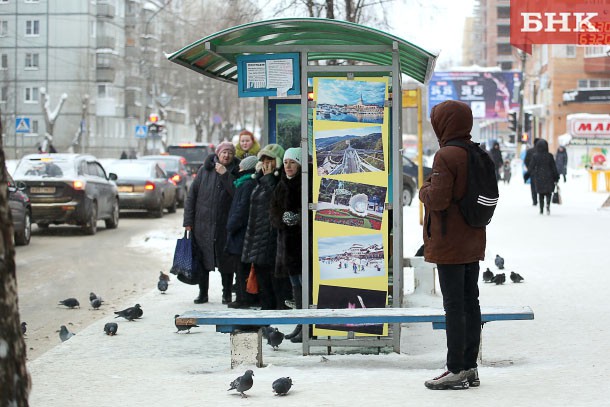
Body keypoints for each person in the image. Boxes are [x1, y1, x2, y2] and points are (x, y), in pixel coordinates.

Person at [419, 100, 484, 390]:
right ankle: (470, 367)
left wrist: (423, 189)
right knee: (471, 302)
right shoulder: (477, 153)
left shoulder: (446, 155)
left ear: (444, 123)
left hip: (450, 243)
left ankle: (456, 368)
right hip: (473, 237)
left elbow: (438, 199)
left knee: (454, 306)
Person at [183, 141, 240, 305]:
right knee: (202, 260)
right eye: (224, 152)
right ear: (218, 154)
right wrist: (188, 221)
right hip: (203, 225)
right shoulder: (204, 170)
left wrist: (224, 174)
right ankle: (203, 293)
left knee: (226, 262)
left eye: (229, 153)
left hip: (225, 226)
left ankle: (227, 293)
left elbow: (236, 193)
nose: (226, 155)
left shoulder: (236, 171)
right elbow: (191, 196)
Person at [241, 143, 289, 310]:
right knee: (262, 277)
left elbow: (276, 201)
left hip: (270, 237)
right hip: (257, 235)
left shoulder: (278, 180)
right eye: (263, 160)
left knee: (274, 278)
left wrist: (268, 178)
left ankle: (276, 309)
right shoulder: (260, 180)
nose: (266, 164)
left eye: (270, 160)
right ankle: (267, 307)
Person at [270, 147, 303, 342]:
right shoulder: (281, 185)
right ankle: (300, 323)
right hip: (287, 245)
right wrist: (282, 219)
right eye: (285, 163)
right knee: (295, 285)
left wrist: (299, 217)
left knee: (304, 283)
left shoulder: (304, 184)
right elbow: (272, 211)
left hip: (302, 244)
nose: (288, 166)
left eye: (292, 162)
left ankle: (307, 325)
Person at [225, 155, 259, 309]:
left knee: (241, 268)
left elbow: (242, 209)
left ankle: (243, 298)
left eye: (241, 167)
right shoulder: (244, 183)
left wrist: (231, 225)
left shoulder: (246, 184)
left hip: (241, 233)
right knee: (240, 267)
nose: (238, 169)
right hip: (240, 232)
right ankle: (242, 297)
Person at [529, 139, 559, 215]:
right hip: (549, 177)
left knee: (541, 194)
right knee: (548, 193)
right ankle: (548, 205)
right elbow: (554, 167)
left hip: (539, 177)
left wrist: (532, 174)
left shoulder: (535, 156)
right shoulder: (549, 156)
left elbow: (531, 167)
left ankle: (541, 209)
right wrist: (556, 177)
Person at [524, 138, 542, 205]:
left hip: (533, 172)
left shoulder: (530, 151)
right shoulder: (542, 151)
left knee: (533, 186)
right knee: (541, 186)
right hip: (541, 171)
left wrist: (529, 168)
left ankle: (535, 200)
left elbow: (526, 161)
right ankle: (541, 199)